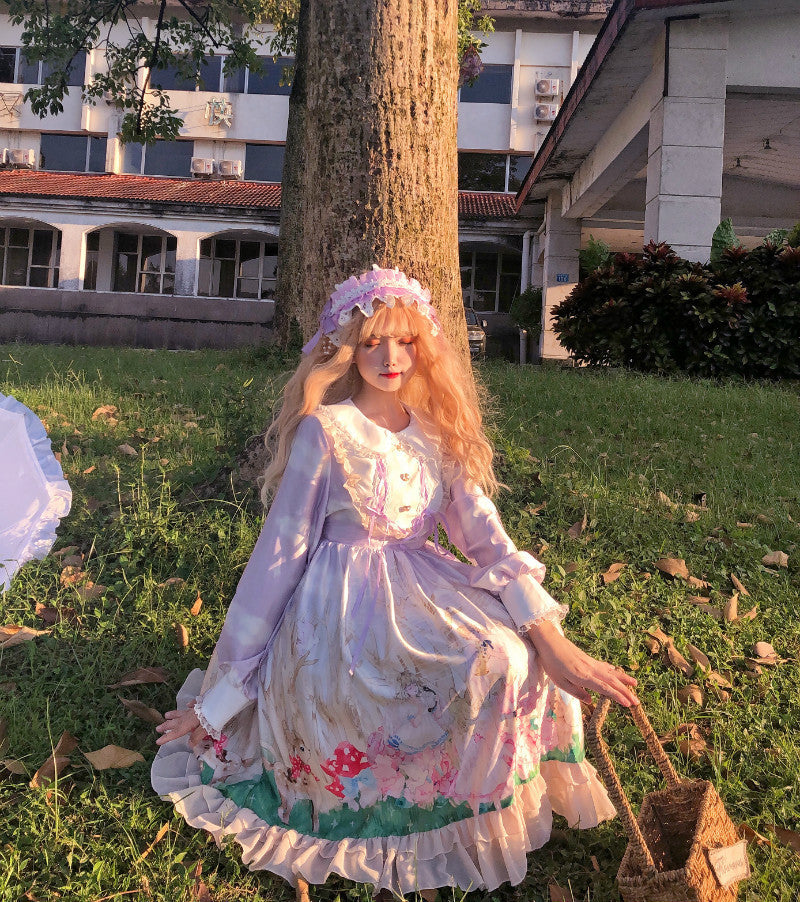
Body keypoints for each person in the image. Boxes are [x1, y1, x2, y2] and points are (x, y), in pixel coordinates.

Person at [152, 266, 638, 901]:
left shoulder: (437, 435)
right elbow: (277, 562)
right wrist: (217, 700)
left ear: (425, 347)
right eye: (372, 341)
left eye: (406, 341)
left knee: (507, 658)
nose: (390, 357)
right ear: (346, 347)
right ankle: (379, 800)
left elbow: (486, 540)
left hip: (421, 589)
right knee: (386, 686)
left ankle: (472, 804)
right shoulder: (325, 432)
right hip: (338, 619)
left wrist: (550, 638)